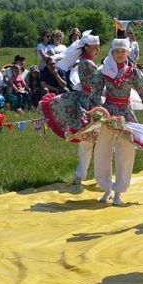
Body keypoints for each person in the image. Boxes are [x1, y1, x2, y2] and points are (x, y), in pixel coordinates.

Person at [41, 33, 104, 186]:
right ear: (87, 47)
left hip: (91, 101)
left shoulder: (84, 62)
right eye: (95, 47)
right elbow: (99, 82)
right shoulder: (87, 63)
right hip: (90, 103)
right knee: (90, 140)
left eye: (98, 47)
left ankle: (85, 175)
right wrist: (105, 71)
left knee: (92, 141)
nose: (97, 50)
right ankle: (89, 176)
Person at [96, 38, 143, 205]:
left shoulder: (134, 73)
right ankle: (106, 188)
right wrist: (91, 110)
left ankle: (119, 191)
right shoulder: (104, 71)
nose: (119, 54)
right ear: (112, 52)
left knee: (125, 152)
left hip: (125, 114)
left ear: (128, 53)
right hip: (108, 113)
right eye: (116, 51)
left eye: (122, 51)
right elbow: (95, 93)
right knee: (102, 151)